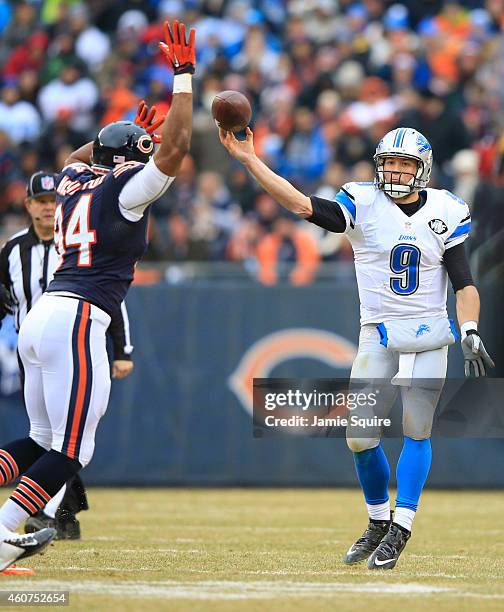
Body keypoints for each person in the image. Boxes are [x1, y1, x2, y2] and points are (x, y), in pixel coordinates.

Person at [219, 125, 494, 570]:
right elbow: (301, 204)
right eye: (389, 163)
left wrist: (469, 329)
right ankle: (377, 520)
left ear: (422, 169)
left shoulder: (447, 210)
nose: (396, 172)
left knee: (417, 427)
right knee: (359, 436)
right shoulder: (363, 201)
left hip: (427, 331)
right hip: (379, 330)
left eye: (405, 164)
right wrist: (251, 160)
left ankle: (402, 525)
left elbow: (464, 283)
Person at [0, 19, 195, 572]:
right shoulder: (125, 189)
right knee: (72, 448)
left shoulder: (72, 180)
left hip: (43, 316)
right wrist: (182, 78)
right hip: (80, 318)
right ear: (129, 158)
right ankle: (4, 532)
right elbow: (176, 145)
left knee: (40, 438)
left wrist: (125, 131)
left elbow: (82, 156)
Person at [0, 171, 135, 548]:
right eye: (40, 201)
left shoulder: (66, 240)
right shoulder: (16, 250)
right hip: (67, 331)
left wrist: (122, 348)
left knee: (44, 439)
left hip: (37, 334)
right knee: (72, 446)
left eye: (51, 201)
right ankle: (13, 522)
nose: (46, 208)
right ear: (27, 205)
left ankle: (52, 511)